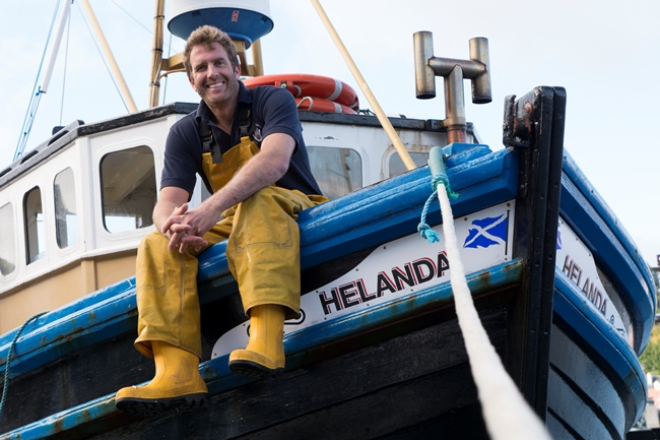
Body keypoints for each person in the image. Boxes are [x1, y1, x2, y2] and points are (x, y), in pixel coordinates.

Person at [115, 25, 327, 414]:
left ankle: (266, 340)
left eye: (218, 63)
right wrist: (172, 226)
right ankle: (176, 372)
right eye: (200, 68)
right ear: (191, 80)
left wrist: (210, 210)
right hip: (239, 220)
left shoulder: (273, 100)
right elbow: (166, 203)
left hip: (293, 205)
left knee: (258, 199)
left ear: (236, 66)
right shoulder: (185, 132)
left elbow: (275, 162)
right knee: (156, 244)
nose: (211, 72)